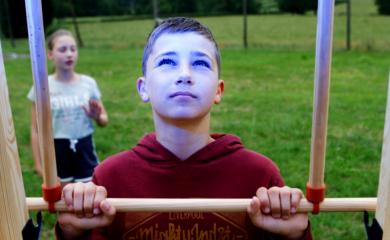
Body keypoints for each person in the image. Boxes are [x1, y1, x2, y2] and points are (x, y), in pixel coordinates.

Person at [56, 17, 312, 239]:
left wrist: (295, 236)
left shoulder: (259, 177)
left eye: (201, 64)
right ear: (143, 87)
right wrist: (73, 234)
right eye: (167, 62)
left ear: (218, 90)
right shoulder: (110, 178)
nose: (185, 74)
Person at [28, 29, 108, 184]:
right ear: (50, 54)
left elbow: (104, 120)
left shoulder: (88, 83)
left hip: (85, 151)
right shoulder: (42, 85)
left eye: (73, 49)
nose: (69, 54)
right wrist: (38, 165)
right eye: (62, 50)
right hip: (57, 151)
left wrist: (97, 116)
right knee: (65, 204)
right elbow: (35, 129)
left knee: (88, 203)